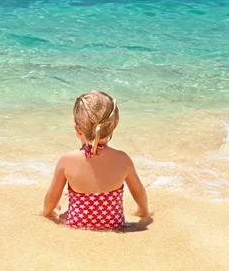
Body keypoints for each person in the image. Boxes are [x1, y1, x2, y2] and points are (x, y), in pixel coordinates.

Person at [42, 90, 149, 230]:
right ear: (114, 126)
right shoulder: (123, 159)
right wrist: (143, 212)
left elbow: (51, 197)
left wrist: (48, 214)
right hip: (114, 225)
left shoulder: (67, 160)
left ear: (77, 129)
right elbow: (139, 192)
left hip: (76, 224)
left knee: (63, 199)